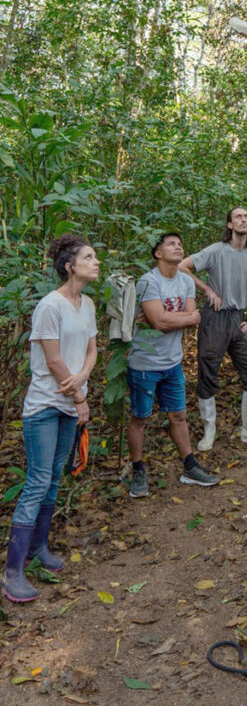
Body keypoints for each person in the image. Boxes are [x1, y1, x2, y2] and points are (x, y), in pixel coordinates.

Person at [2, 236, 99, 603]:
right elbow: (54, 360)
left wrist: (82, 384)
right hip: (46, 404)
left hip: (71, 404)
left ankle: (37, 548)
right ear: (69, 266)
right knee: (38, 480)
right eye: (89, 257)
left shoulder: (86, 303)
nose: (96, 262)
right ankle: (12, 572)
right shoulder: (49, 306)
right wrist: (77, 395)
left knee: (55, 479)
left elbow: (91, 350)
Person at [126, 234, 219, 498]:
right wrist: (174, 318)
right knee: (140, 417)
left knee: (178, 415)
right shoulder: (149, 281)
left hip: (172, 362)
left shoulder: (185, 280)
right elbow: (160, 323)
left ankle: (189, 465)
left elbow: (194, 318)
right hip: (144, 362)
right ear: (157, 253)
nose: (178, 246)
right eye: (171, 244)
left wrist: (168, 317)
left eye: (181, 243)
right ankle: (138, 471)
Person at [179, 207, 247, 450]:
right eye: (238, 217)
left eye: (246, 217)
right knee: (208, 369)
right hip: (214, 318)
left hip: (238, 319)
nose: (244, 220)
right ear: (230, 225)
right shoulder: (216, 250)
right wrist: (207, 290)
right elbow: (182, 267)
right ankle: (209, 430)